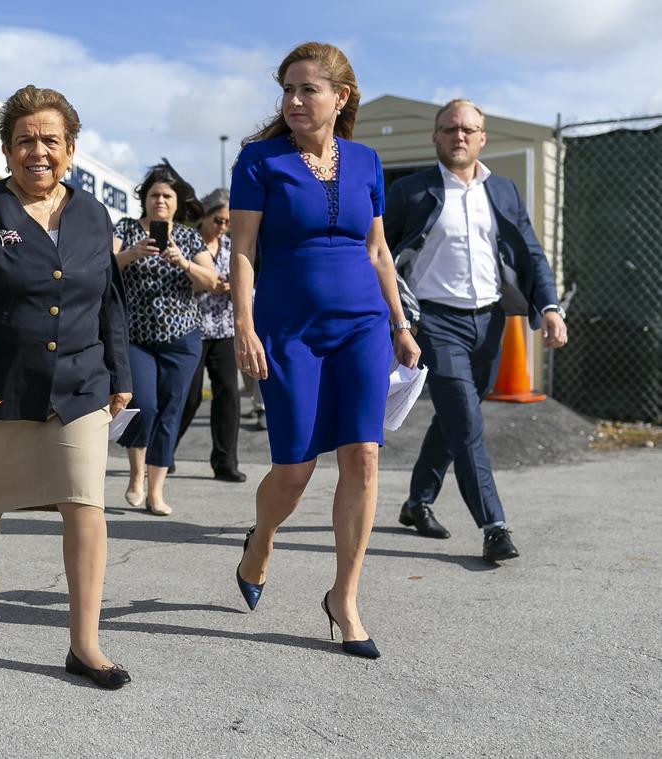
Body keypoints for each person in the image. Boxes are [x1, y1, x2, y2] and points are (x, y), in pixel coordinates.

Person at [0, 84, 134, 689]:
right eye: (24, 140)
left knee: (85, 506)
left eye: (50, 139)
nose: (37, 151)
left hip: (78, 384)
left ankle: (85, 643)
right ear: (5, 150)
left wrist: (119, 374)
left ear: (71, 148)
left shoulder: (94, 214)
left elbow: (109, 300)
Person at [229, 42, 420, 659]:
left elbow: (377, 251)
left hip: (363, 324)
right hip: (289, 330)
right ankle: (261, 539)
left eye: (307, 90)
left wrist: (399, 323)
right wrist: (245, 325)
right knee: (295, 467)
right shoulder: (259, 161)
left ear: (341, 97)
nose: (292, 101)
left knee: (363, 454)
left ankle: (344, 596)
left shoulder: (366, 161)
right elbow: (242, 251)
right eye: (287, 89)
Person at [385, 99, 568, 562]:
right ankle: (494, 525)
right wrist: (392, 317)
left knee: (454, 417)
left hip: (490, 322)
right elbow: (377, 254)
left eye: (468, 129)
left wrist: (548, 306)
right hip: (435, 321)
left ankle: (417, 502)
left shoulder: (502, 190)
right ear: (436, 137)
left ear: (482, 136)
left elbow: (531, 252)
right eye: (449, 129)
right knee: (466, 420)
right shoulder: (410, 191)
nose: (459, 136)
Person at [114, 161, 219, 515]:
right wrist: (132, 253)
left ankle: (157, 491)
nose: (160, 200)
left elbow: (212, 280)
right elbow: (103, 266)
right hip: (136, 337)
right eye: (155, 194)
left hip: (182, 337)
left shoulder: (188, 237)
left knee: (171, 410)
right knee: (142, 405)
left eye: (167, 196)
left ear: (177, 202)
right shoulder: (127, 229)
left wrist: (183, 262)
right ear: (145, 199)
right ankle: (135, 476)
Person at [173, 188, 246, 482]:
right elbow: (173, 285)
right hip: (191, 328)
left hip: (225, 328)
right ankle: (162, 453)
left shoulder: (233, 247)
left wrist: (232, 288)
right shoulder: (186, 243)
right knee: (189, 397)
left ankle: (225, 461)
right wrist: (205, 284)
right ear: (204, 216)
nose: (223, 227)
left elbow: (246, 280)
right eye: (218, 220)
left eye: (228, 222)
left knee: (228, 394)